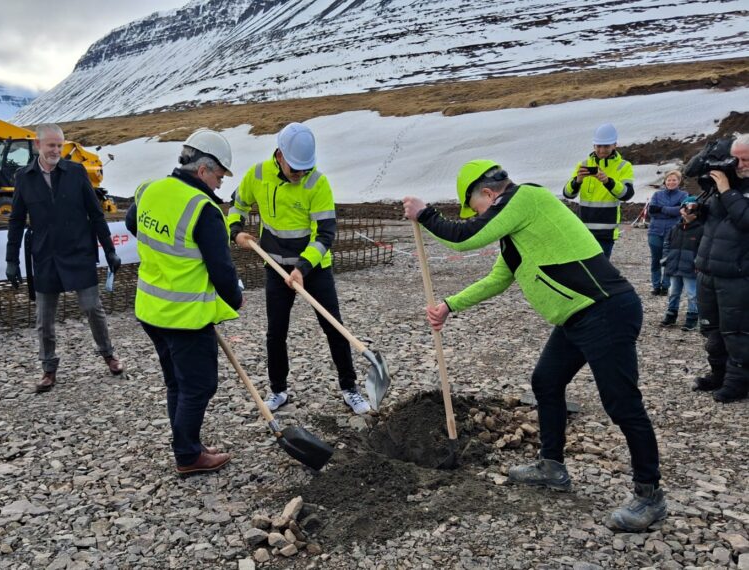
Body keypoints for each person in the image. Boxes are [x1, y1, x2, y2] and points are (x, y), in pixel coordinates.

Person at [403, 160, 665, 532]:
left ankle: (649, 495)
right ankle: (552, 467)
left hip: (605, 310)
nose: (480, 218)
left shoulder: (527, 198)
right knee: (546, 381)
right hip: (575, 319)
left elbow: (463, 238)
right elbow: (497, 279)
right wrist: (448, 306)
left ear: (489, 194)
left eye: (476, 209)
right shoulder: (516, 235)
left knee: (622, 403)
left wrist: (425, 213)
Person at [227, 122, 371, 415]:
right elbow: (237, 205)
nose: (300, 174)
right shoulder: (257, 174)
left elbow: (326, 233)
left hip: (314, 269)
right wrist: (236, 231)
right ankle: (278, 390)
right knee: (276, 332)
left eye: (305, 168)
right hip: (274, 266)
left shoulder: (317, 183)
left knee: (334, 327)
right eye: (295, 169)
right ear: (279, 155)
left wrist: (303, 268)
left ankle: (349, 388)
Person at [125, 128, 243, 475]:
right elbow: (221, 269)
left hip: (151, 309)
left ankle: (187, 444)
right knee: (200, 384)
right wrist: (235, 299)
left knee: (177, 382)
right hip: (185, 315)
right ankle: (189, 456)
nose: (220, 184)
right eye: (219, 176)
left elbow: (134, 225)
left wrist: (169, 262)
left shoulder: (150, 189)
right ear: (203, 169)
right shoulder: (204, 209)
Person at [6, 124, 123, 393]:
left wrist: (109, 250)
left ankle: (109, 355)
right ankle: (48, 369)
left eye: (59, 145)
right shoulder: (24, 177)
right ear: (38, 145)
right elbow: (15, 220)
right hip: (45, 257)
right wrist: (11, 259)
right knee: (44, 318)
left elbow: (96, 214)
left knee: (93, 308)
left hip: (78, 252)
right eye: (51, 145)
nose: (56, 150)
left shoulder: (76, 172)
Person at [691, 134, 749, 403]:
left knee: (737, 331)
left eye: (745, 159)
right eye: (736, 158)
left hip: (738, 274)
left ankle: (738, 383)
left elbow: (745, 219)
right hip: (709, 268)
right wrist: (695, 211)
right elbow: (718, 216)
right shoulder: (729, 178)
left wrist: (726, 190)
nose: (739, 164)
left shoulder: (729, 186)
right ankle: (719, 373)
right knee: (711, 327)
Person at [563, 123, 635, 258]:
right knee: (584, 273)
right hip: (582, 231)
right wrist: (577, 181)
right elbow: (568, 194)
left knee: (600, 275)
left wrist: (608, 181)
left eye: (606, 146)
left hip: (605, 233)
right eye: (599, 146)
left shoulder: (623, 166)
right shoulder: (583, 165)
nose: (602, 150)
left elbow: (627, 194)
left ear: (615, 145)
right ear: (593, 146)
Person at [659, 196, 702, 331]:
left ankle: (692, 318)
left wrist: (698, 263)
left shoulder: (701, 229)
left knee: (692, 294)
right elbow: (666, 243)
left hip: (691, 268)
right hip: (674, 265)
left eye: (693, 209)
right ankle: (671, 315)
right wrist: (666, 258)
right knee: (673, 292)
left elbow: (704, 249)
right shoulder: (675, 228)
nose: (689, 211)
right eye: (687, 208)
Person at [646, 170, 688, 295]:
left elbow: (681, 211)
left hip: (673, 232)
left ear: (679, 181)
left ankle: (665, 286)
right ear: (665, 181)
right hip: (655, 231)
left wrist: (661, 209)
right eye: (669, 180)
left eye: (674, 180)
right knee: (656, 259)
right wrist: (672, 210)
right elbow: (651, 211)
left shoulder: (683, 195)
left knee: (669, 259)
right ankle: (655, 285)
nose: (671, 182)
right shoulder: (657, 195)